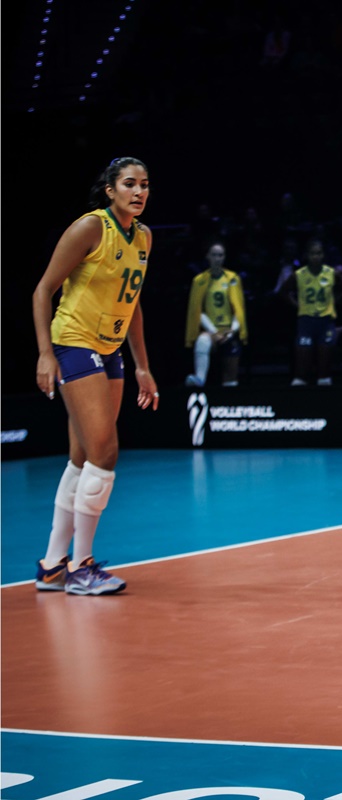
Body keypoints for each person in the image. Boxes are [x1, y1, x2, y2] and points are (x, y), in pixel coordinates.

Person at [32, 157, 159, 596]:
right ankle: (82, 566)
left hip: (110, 348)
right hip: (74, 342)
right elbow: (43, 290)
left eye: (144, 185)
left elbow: (134, 303)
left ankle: (52, 565)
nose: (138, 192)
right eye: (129, 184)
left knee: (82, 457)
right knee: (105, 452)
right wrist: (46, 354)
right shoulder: (90, 228)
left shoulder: (143, 237)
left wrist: (142, 365)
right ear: (109, 189)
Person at [285, 239, 342, 386]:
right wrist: (297, 305)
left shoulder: (331, 273)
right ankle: (300, 383)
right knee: (303, 357)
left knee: (324, 359)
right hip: (306, 320)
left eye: (319, 253)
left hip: (325, 320)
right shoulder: (299, 274)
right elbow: (284, 292)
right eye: (313, 253)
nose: (316, 257)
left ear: (323, 255)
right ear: (307, 255)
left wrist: (334, 302)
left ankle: (324, 383)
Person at [185, 242, 248, 388]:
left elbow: (238, 309)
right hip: (210, 330)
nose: (217, 259)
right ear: (208, 256)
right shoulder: (199, 281)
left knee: (231, 378)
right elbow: (197, 311)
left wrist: (232, 331)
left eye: (220, 255)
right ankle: (199, 380)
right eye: (214, 255)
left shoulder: (233, 278)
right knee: (202, 341)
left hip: (229, 330)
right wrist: (213, 332)